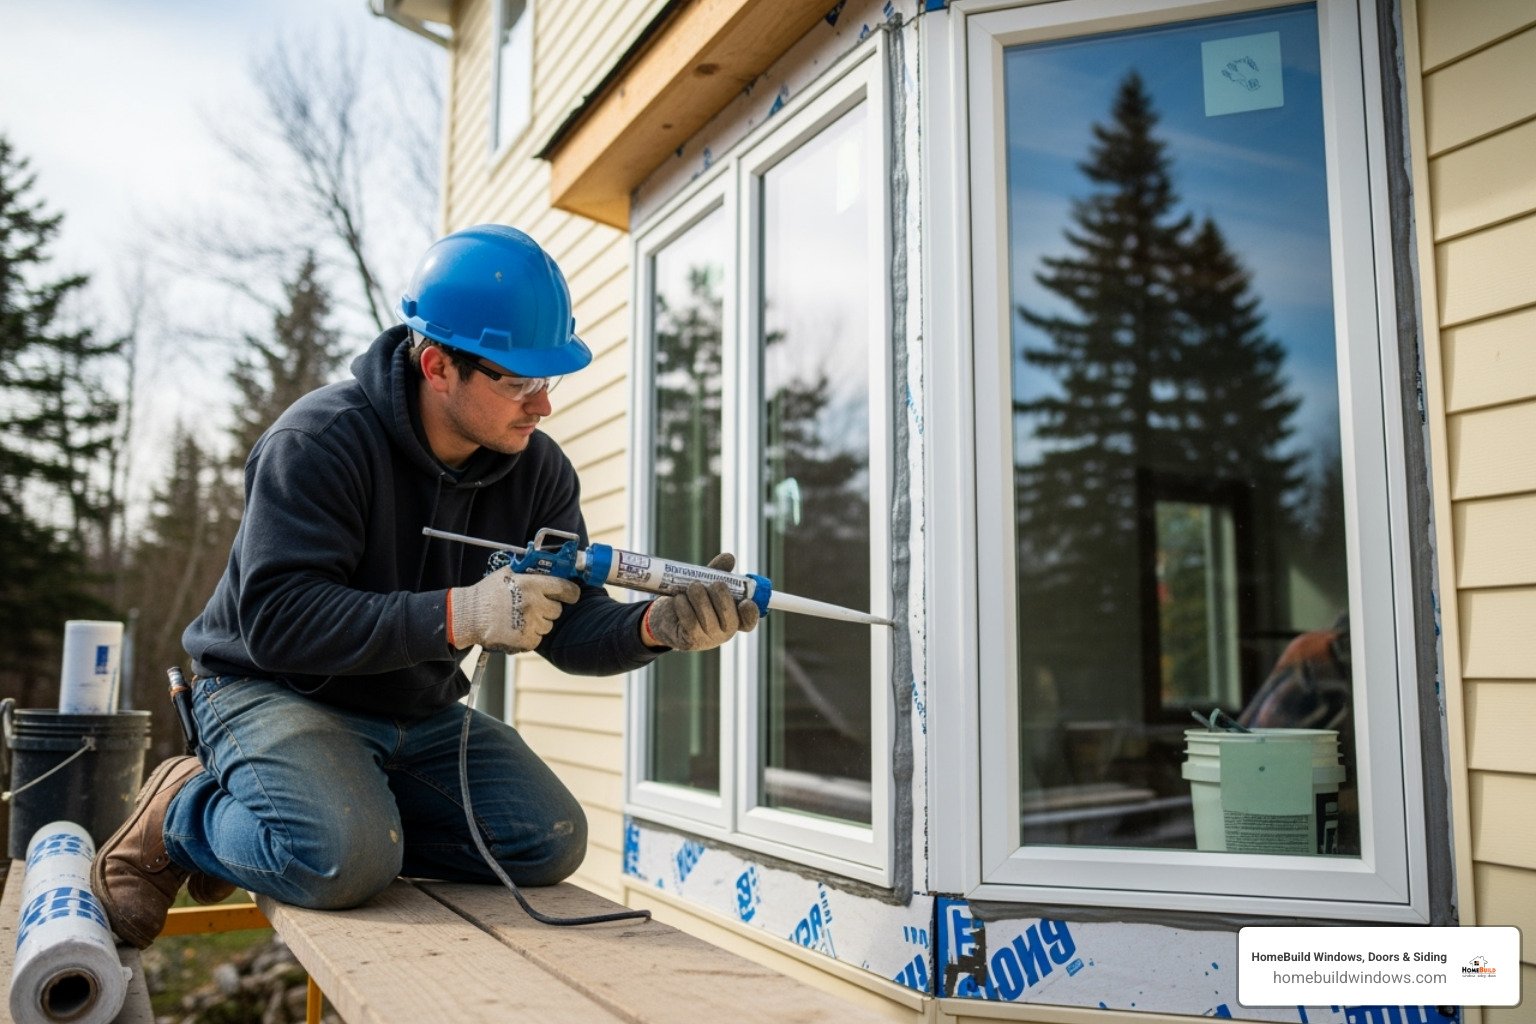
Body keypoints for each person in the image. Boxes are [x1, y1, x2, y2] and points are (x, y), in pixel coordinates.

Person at [91, 225, 758, 948]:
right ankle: (184, 807)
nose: (543, 406)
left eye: (549, 379)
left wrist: (654, 627)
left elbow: (570, 626)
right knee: (339, 861)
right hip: (274, 690)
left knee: (546, 840)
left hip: (417, 710)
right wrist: (460, 613)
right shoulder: (318, 443)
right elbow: (280, 622)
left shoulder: (537, 470)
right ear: (438, 366)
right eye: (520, 381)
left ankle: (328, 814)